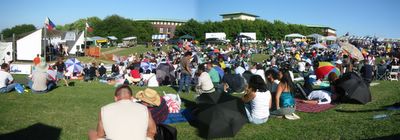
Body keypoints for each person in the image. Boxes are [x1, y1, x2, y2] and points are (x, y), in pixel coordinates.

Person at [88, 85, 156, 140]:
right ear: (132, 98)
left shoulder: (104, 109)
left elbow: (100, 134)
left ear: (115, 98)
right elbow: (153, 131)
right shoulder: (144, 109)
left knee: (91, 133)